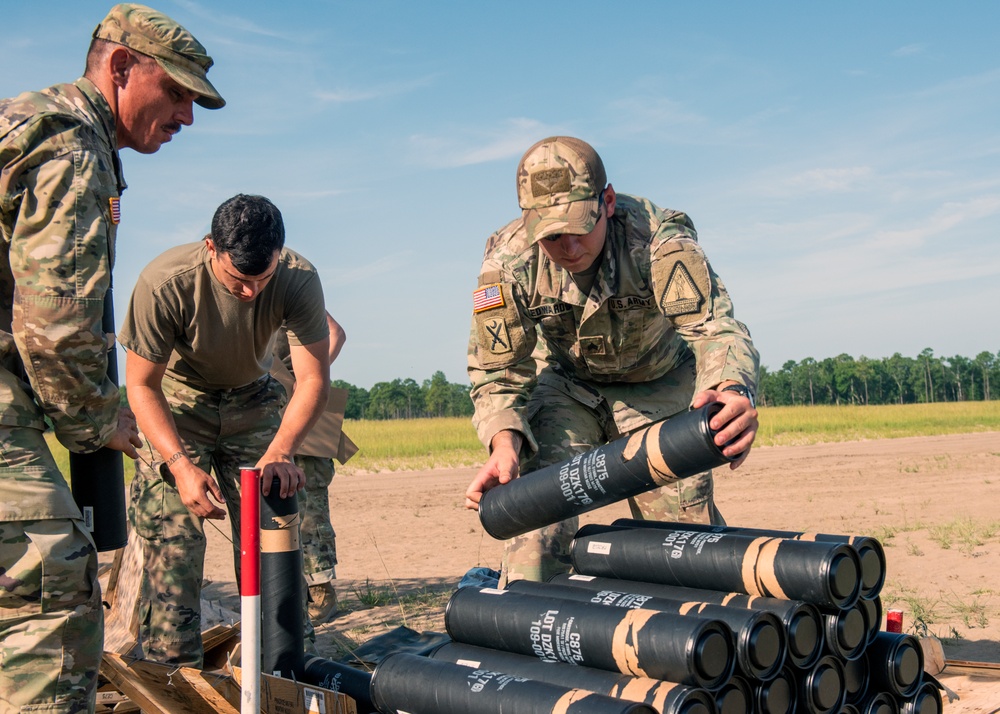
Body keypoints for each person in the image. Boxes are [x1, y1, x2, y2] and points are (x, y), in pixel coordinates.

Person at [0, 4, 223, 710]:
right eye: (178, 93)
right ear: (121, 67)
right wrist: (102, 422)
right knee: (51, 603)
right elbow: (57, 323)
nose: (187, 117)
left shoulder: (21, 123)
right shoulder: (72, 151)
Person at [465, 136, 760, 586]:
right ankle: (533, 638)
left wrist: (732, 389)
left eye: (578, 226)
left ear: (606, 201)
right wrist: (504, 442)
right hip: (568, 391)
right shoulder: (509, 262)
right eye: (551, 235)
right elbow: (498, 370)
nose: (568, 247)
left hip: (658, 389)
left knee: (685, 549)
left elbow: (715, 329)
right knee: (535, 524)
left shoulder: (658, 241)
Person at [119, 193, 330, 667]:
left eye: (264, 277)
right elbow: (141, 385)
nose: (252, 292)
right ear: (211, 247)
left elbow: (314, 378)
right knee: (175, 539)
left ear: (280, 254)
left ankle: (286, 670)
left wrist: (282, 451)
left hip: (255, 403)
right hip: (177, 404)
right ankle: (173, 674)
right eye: (240, 279)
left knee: (270, 535)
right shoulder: (165, 282)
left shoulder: (298, 277)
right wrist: (178, 464)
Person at [270, 315, 358, 624]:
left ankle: (322, 591)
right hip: (265, 416)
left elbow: (336, 333)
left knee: (310, 508)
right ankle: (295, 590)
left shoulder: (292, 288)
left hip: (302, 415)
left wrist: (304, 383)